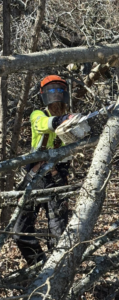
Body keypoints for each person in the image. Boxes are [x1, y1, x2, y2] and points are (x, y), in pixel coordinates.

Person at [13, 75, 74, 266]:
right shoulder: (37, 115)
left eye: (59, 90)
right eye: (52, 90)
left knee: (58, 233)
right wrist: (60, 121)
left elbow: (76, 144)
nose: (56, 95)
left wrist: (73, 124)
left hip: (58, 176)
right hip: (36, 175)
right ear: (44, 95)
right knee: (20, 230)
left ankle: (57, 271)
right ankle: (39, 265)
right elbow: (42, 124)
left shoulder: (72, 119)